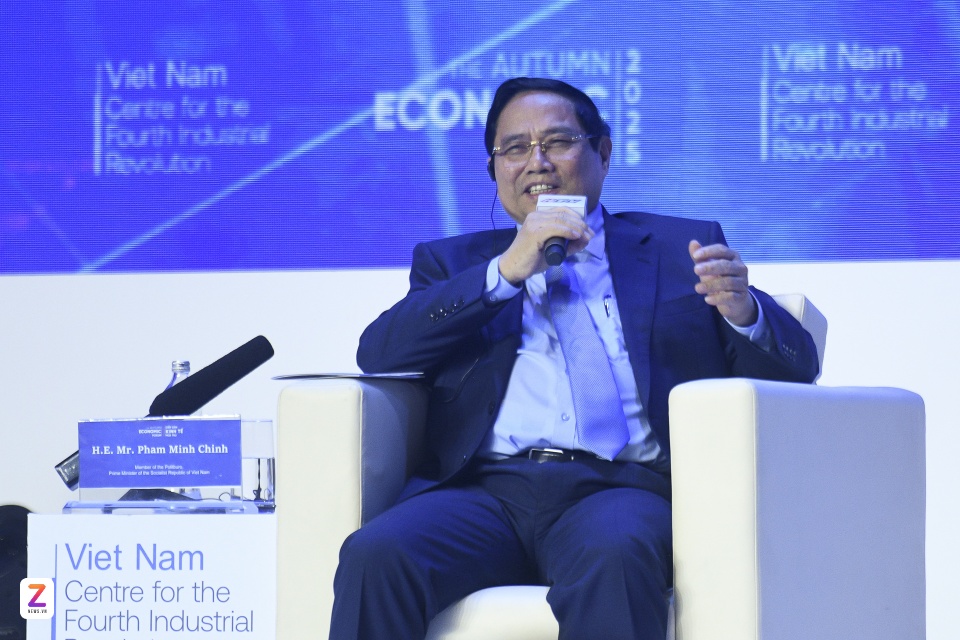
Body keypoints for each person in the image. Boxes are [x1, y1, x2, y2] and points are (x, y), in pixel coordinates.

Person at [330, 77, 819, 640]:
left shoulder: (676, 249)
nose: (536, 162)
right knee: (376, 554)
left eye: (557, 142)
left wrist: (743, 311)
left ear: (602, 153)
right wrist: (505, 272)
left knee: (615, 555)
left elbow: (794, 371)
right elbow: (380, 353)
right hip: (484, 492)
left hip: (620, 488)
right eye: (515, 148)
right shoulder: (454, 263)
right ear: (494, 170)